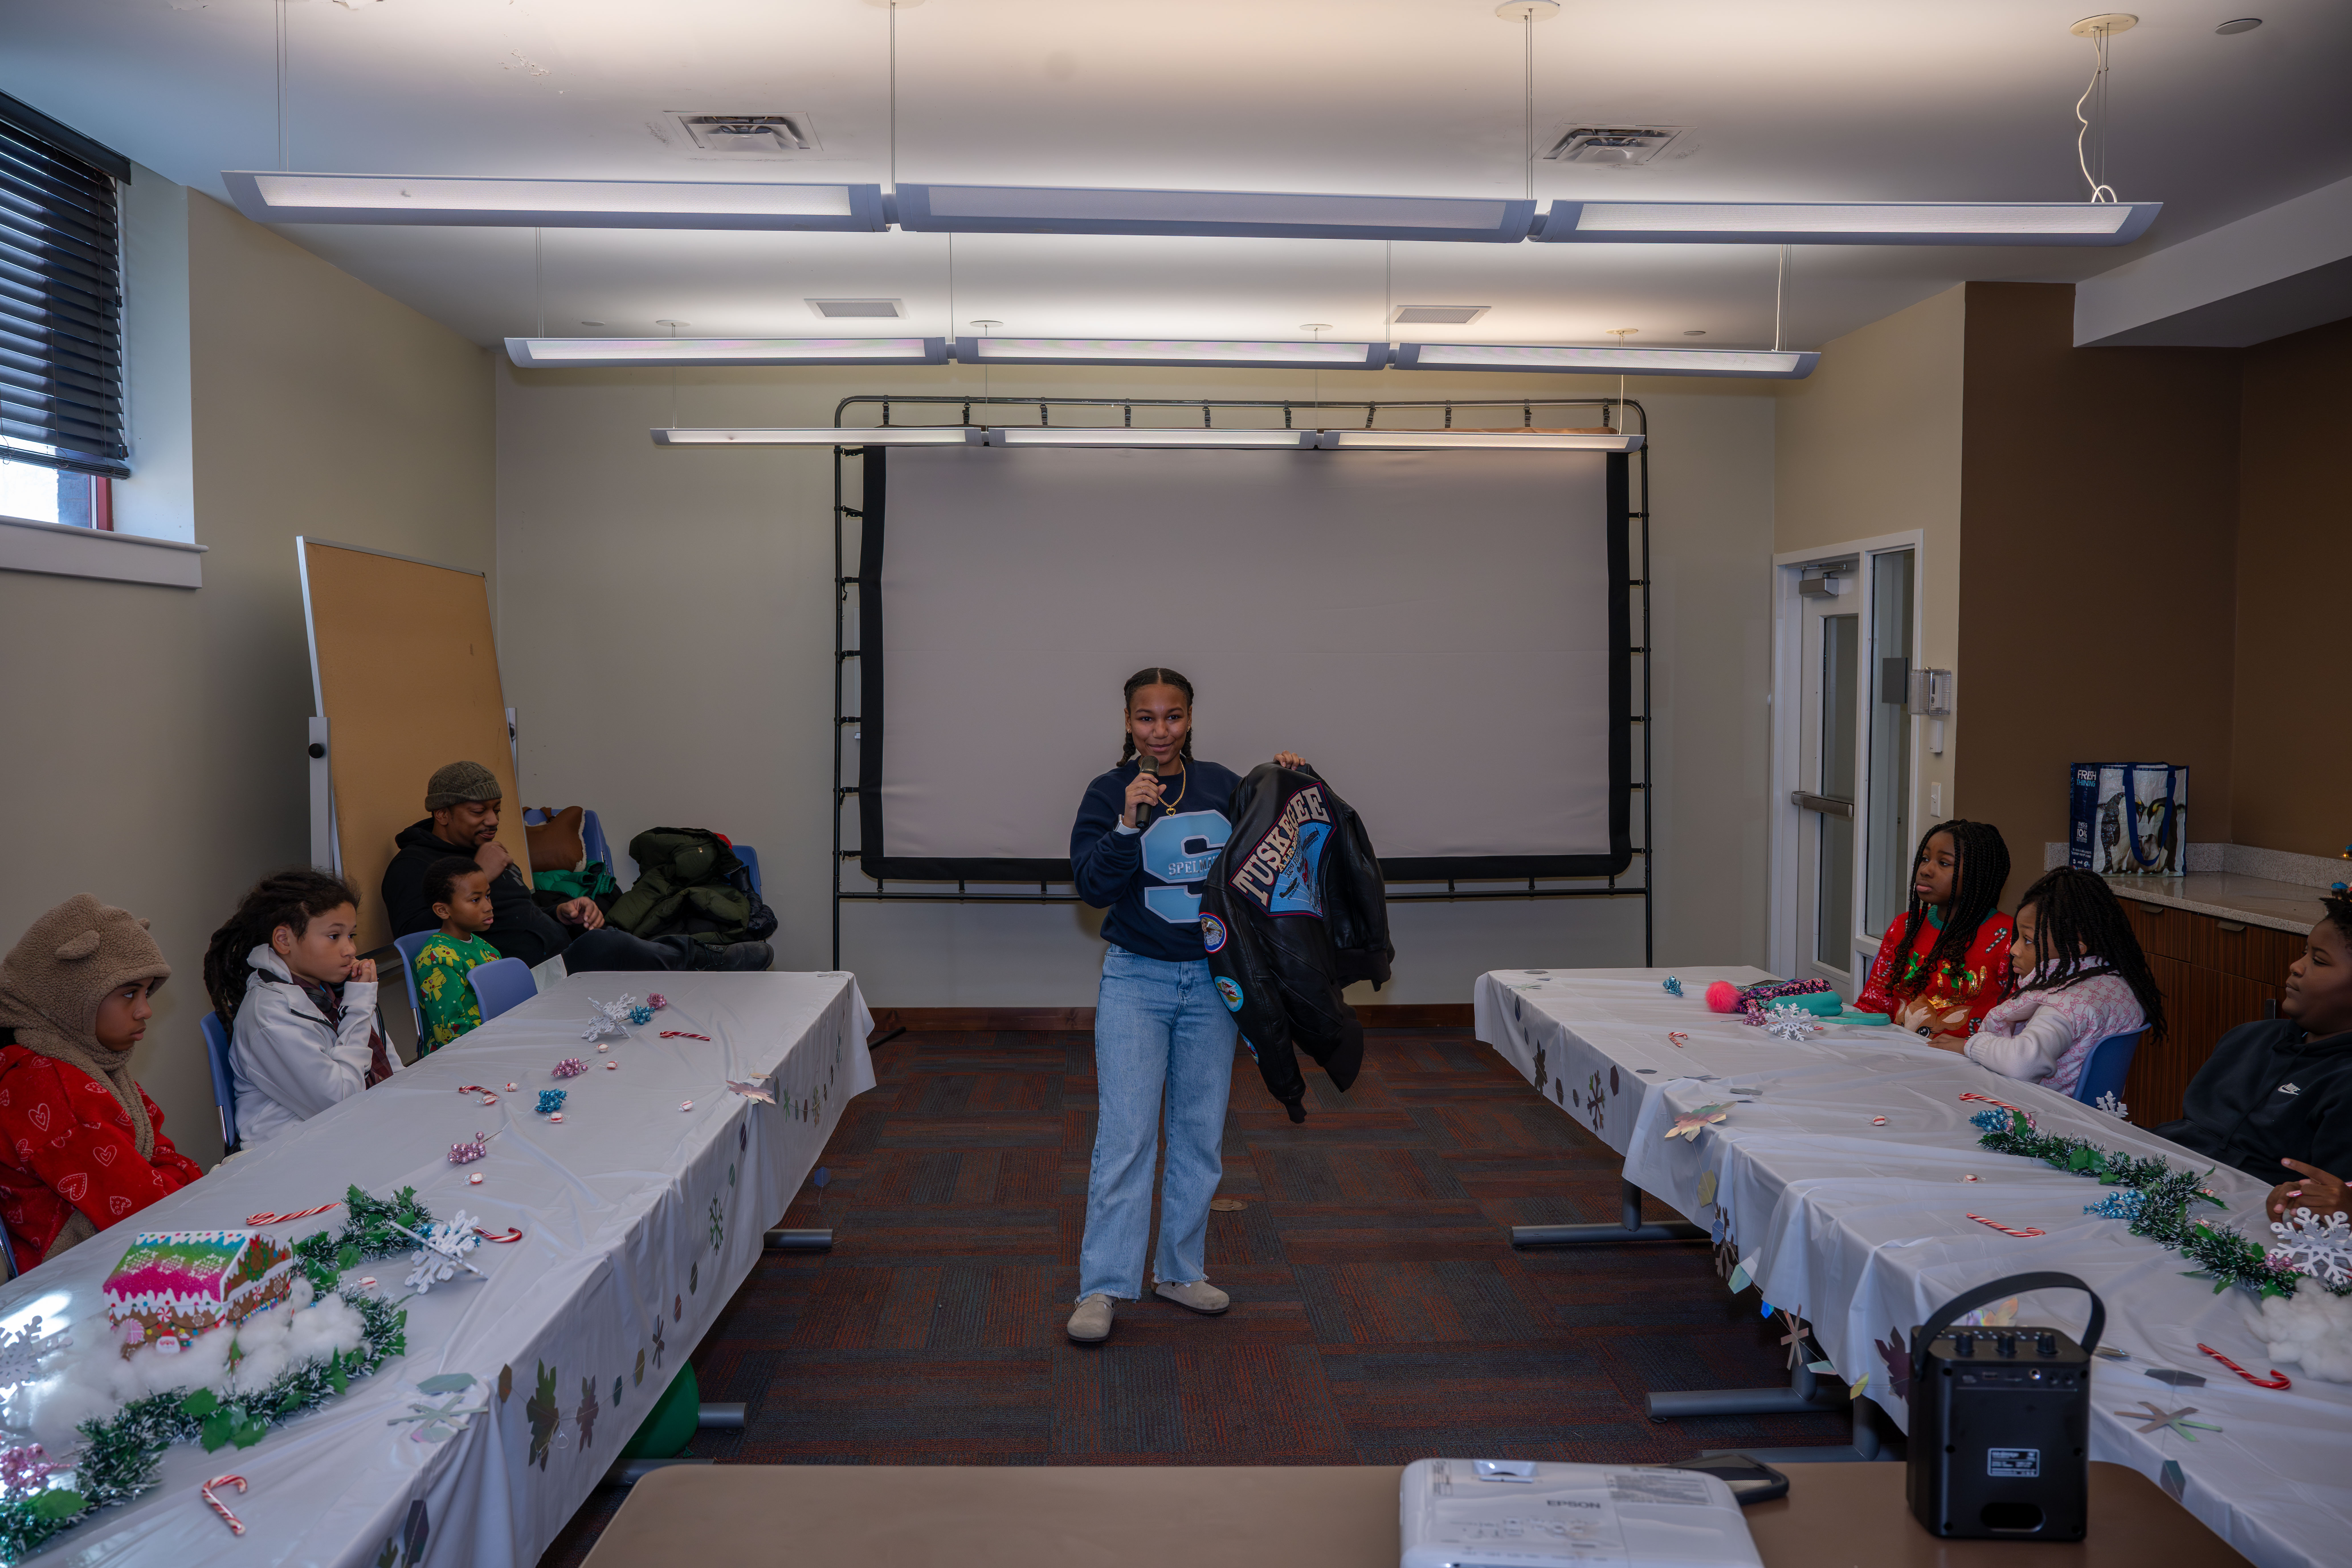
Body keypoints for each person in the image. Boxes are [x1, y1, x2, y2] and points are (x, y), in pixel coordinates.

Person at [1062, 666, 1306, 1346]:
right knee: (1127, 1136)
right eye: (1146, 718)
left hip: (1211, 984)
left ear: (1190, 719)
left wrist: (1286, 783)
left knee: (1200, 1133)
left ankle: (1178, 1270)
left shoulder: (1221, 785)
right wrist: (1126, 825)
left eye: (1172, 717)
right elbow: (1092, 885)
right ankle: (1103, 1286)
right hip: (1135, 980)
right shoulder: (1108, 792)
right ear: (1127, 722)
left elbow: (1272, 856)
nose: (1160, 730)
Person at [381, 762, 771, 974]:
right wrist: (482, 876)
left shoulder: (484, 851)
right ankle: (710, 962)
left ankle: (705, 962)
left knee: (612, 935)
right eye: (478, 811)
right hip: (517, 980)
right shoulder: (413, 866)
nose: (492, 821)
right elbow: (421, 945)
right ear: (443, 814)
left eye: (497, 811)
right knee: (608, 946)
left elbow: (523, 915)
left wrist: (563, 914)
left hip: (562, 952)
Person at [0, 895, 206, 1267]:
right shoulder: (49, 1087)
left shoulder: (83, 1061)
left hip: (116, 1243)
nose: (146, 1010)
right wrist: (191, 1181)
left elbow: (157, 1151)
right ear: (72, 998)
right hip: (76, 1274)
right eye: (129, 994)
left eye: (146, 992)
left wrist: (174, 1176)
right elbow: (141, 1210)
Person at [2159, 893, 2352, 1183]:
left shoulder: (2344, 1083)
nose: (2296, 966)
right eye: (2304, 951)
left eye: (2319, 961)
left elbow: (2328, 1200)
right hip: (2162, 1172)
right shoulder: (2248, 1038)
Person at [206, 870, 399, 1147]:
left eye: (351, 935)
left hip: (351, 1129)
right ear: (284, 940)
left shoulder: (327, 987)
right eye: (335, 936)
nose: (350, 949)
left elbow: (389, 1062)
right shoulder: (269, 1015)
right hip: (297, 1149)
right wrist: (358, 1007)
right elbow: (341, 1103)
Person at [1944, 867, 2163, 1092]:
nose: (2014, 950)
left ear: (2074, 951)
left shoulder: (2063, 1007)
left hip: (2047, 1116)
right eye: (2017, 937)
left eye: (2028, 940)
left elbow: (2022, 1064)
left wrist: (1970, 1046)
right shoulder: (2117, 982)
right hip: (2093, 1116)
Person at [1856, 819, 2015, 1039]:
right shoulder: (1905, 926)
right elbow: (1874, 1005)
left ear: (1978, 874)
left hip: (1966, 1063)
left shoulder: (2010, 937)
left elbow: (2016, 1024)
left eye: (1944, 863)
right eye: (1925, 859)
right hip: (1896, 1049)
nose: (1926, 870)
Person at [413, 858, 501, 1053]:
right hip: (465, 1055)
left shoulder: (486, 948)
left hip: (498, 1040)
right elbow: (451, 1034)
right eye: (476, 900)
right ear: (443, 910)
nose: (488, 907)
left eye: (488, 896)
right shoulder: (437, 960)